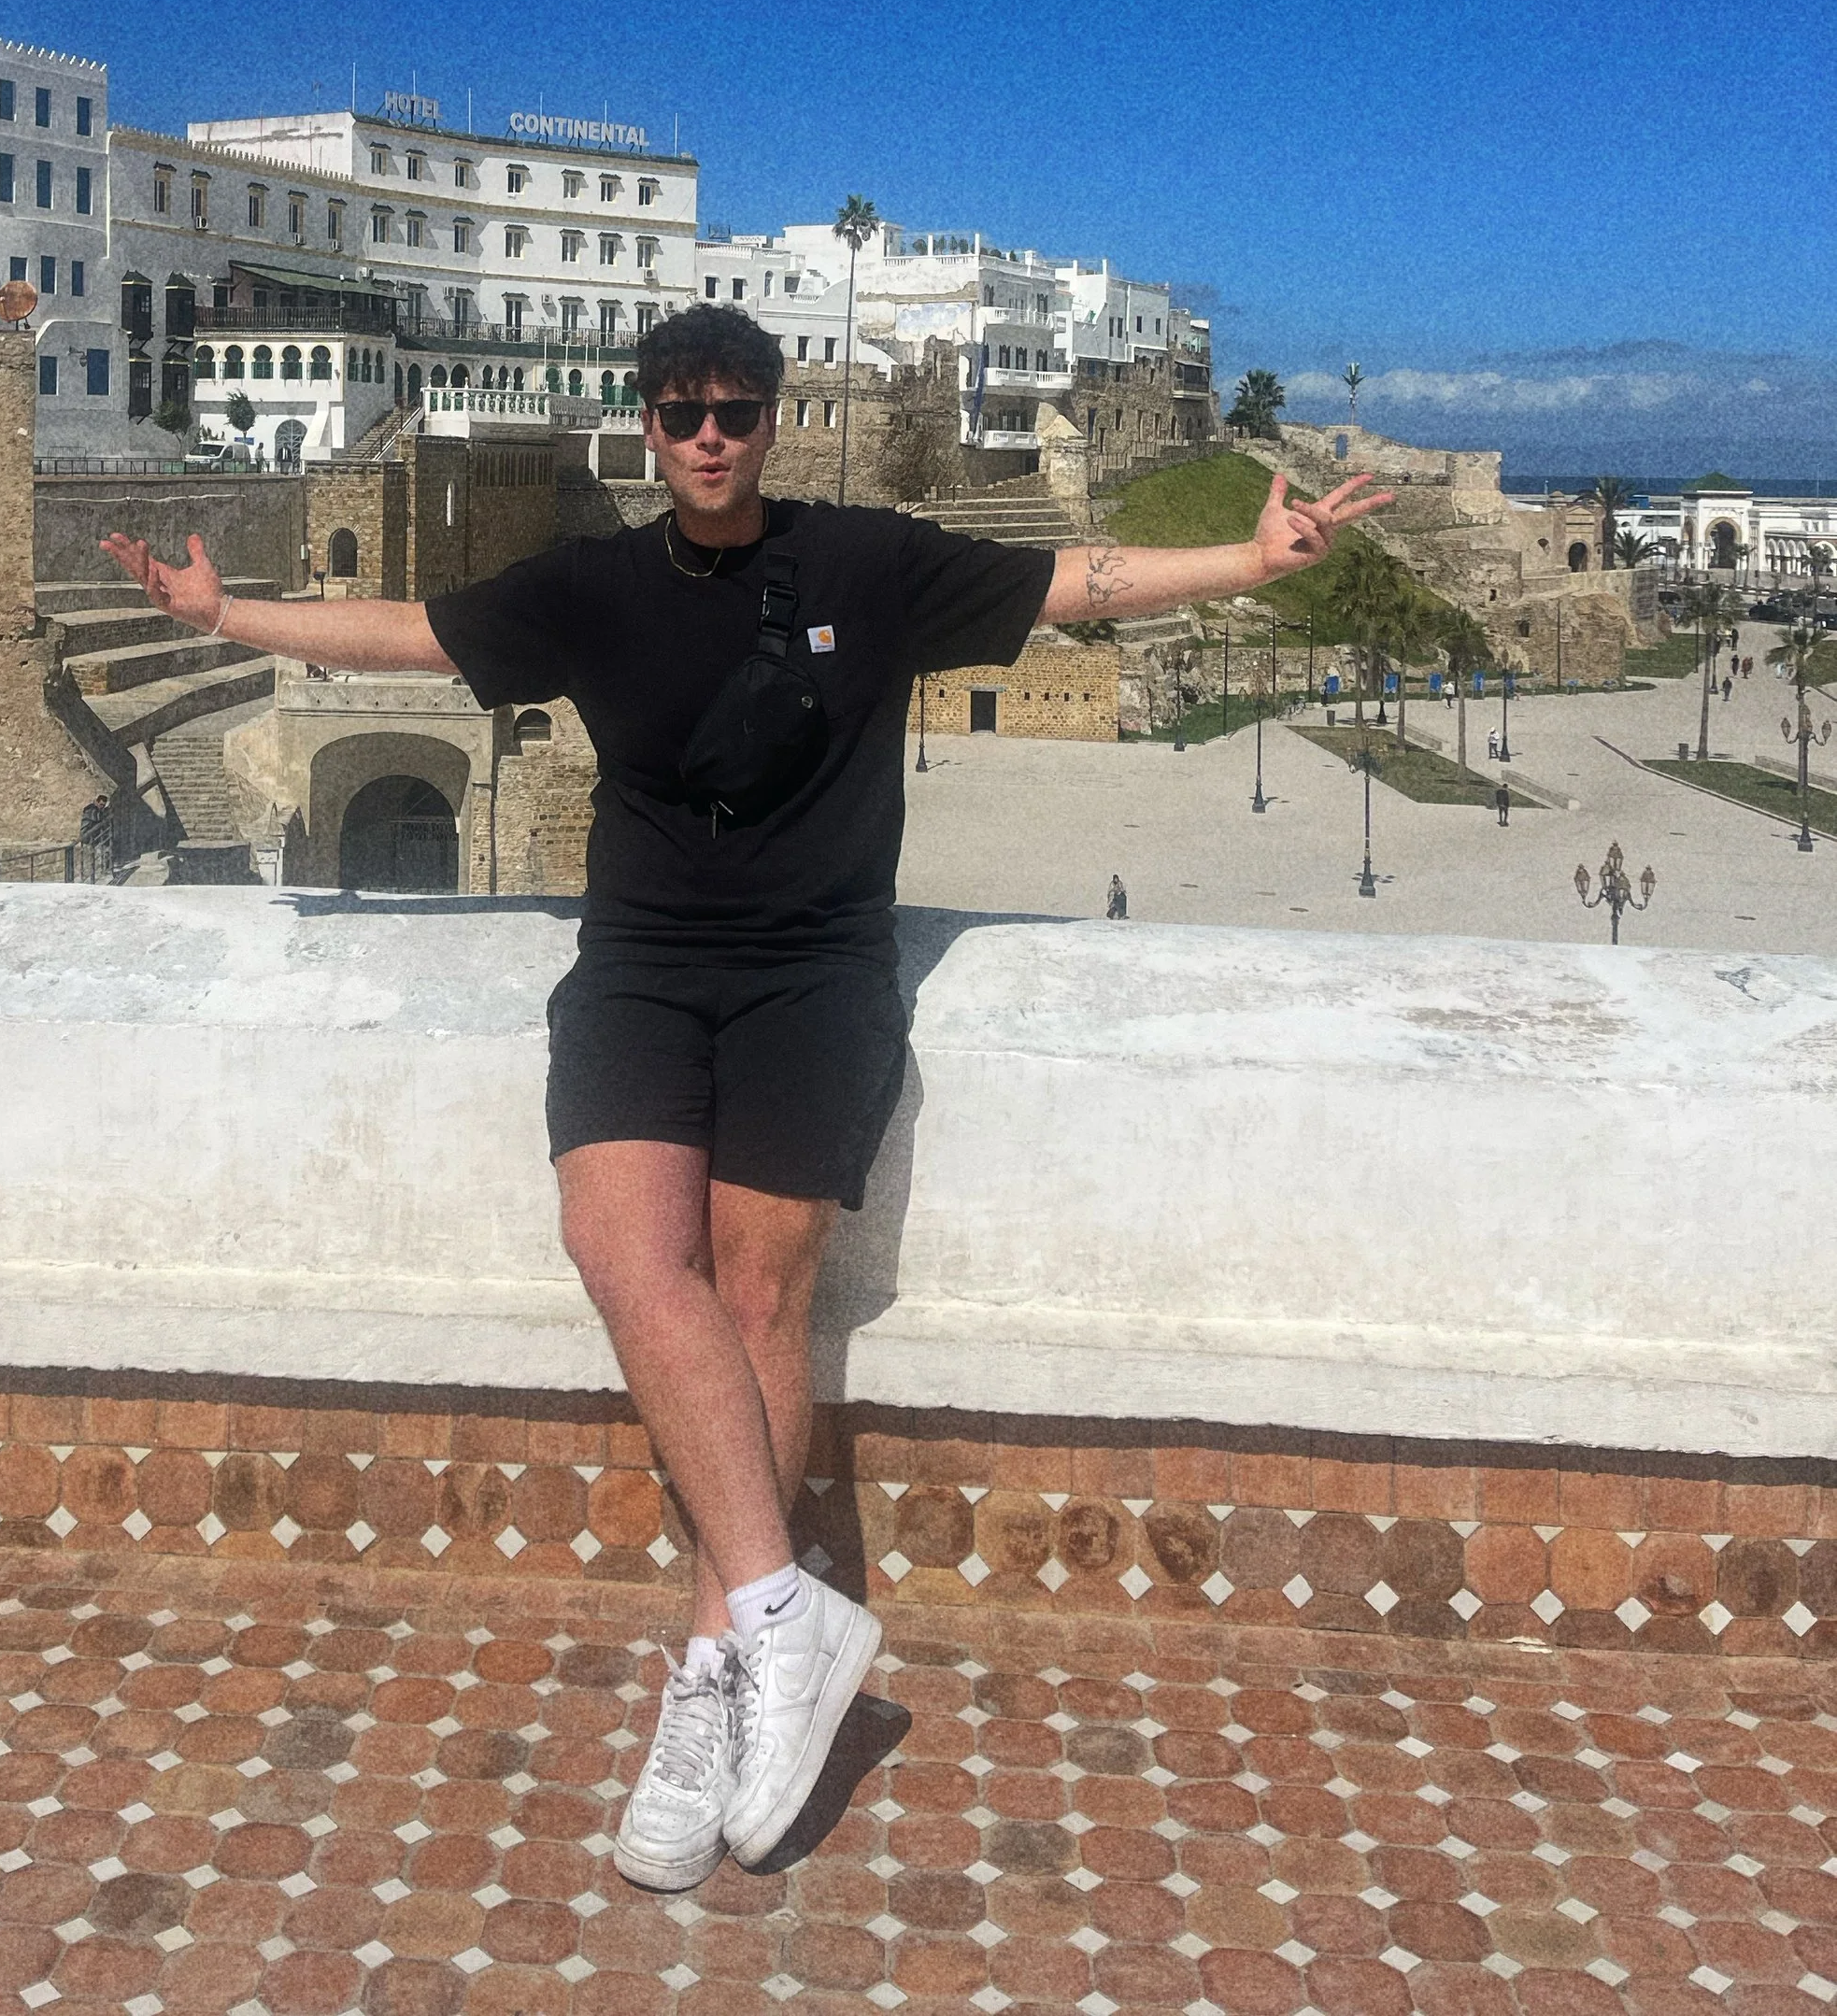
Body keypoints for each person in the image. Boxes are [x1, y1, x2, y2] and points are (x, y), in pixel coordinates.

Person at [101, 305, 1388, 1889]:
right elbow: (419, 630)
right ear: (644, 427)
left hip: (816, 975)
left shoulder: (868, 564)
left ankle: (712, 1678)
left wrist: (1255, 566)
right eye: (680, 411)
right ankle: (792, 1615)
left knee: (763, 1298)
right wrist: (230, 619)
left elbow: (1080, 585)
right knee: (628, 1254)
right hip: (641, 967)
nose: (709, 434)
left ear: (772, 420)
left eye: (735, 409)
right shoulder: (591, 587)